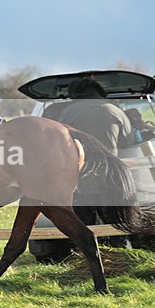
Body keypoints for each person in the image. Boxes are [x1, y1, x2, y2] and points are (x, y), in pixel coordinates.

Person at [57, 78, 135, 237]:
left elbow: (59, 140)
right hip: (111, 174)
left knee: (84, 220)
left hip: (81, 174)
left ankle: (88, 253)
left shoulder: (69, 112)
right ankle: (118, 251)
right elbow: (128, 141)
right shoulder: (115, 111)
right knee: (115, 220)